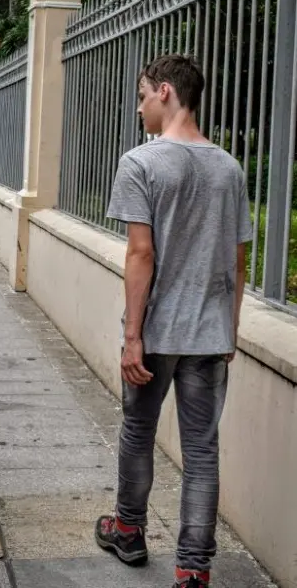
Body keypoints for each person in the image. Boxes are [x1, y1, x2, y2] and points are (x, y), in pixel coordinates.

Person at [94, 54, 252, 588]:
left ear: (165, 92)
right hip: (210, 332)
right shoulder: (229, 168)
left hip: (157, 330)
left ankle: (130, 531)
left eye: (142, 96)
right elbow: (237, 258)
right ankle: (192, 570)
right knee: (202, 449)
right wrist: (229, 330)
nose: (139, 108)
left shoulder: (140, 162)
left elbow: (141, 255)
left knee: (138, 430)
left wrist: (132, 336)